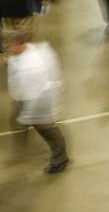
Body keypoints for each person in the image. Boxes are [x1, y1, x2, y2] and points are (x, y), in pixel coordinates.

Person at [4, 30, 69, 174]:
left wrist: (28, 115)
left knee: (47, 130)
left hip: (37, 100)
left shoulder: (32, 66)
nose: (8, 48)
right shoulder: (18, 54)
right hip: (22, 97)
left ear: (20, 45)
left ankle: (60, 159)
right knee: (16, 122)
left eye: (11, 46)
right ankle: (21, 151)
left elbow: (36, 91)